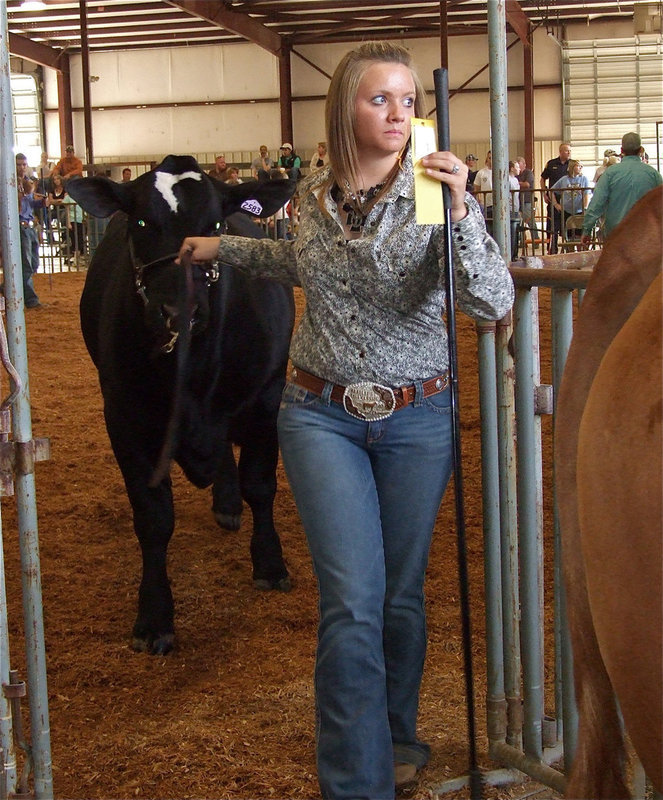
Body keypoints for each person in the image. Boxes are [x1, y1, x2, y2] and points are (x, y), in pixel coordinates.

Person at [176, 41, 514, 799]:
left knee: (397, 594)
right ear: (344, 111)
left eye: (407, 101)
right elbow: (301, 262)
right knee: (352, 602)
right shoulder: (313, 191)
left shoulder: (434, 195)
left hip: (416, 414)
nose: (398, 114)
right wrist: (220, 247)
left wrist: (462, 210)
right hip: (318, 413)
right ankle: (354, 782)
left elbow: (492, 302)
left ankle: (394, 732)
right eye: (379, 100)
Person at [581, 130, 662, 246]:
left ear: (622, 151)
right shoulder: (653, 174)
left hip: (617, 234)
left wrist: (586, 230)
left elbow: (596, 203)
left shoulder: (610, 173)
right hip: (645, 234)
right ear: (641, 150)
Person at [15, 153, 44, 309]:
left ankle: (5, 287)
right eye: (19, 164)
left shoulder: (27, 182)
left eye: (24, 164)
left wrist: (43, 202)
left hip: (30, 225)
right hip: (19, 225)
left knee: (34, 263)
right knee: (26, 264)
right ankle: (31, 301)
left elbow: (31, 203)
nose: (22, 167)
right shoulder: (10, 183)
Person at [540, 142, 572, 254]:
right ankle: (552, 249)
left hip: (568, 200)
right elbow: (542, 178)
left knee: (567, 225)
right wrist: (544, 192)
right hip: (554, 198)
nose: (569, 153)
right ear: (561, 151)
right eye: (567, 150)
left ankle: (568, 250)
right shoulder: (551, 164)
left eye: (570, 151)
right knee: (552, 225)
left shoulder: (572, 164)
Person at [515, 155, 538, 244]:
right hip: (518, 200)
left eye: (519, 164)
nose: (518, 167)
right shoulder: (516, 175)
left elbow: (527, 184)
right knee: (519, 222)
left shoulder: (528, 173)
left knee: (530, 220)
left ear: (524, 164)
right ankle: (522, 241)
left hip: (527, 200)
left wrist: (516, 183)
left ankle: (535, 240)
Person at [473, 150, 493, 216]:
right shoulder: (481, 173)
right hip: (487, 205)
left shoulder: (502, 172)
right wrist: (479, 200)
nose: (491, 160)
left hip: (500, 204)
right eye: (489, 158)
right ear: (487, 159)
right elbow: (476, 188)